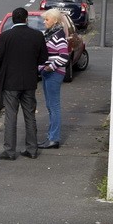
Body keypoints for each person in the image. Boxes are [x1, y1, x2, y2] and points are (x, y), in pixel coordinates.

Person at [0, 7, 49, 160]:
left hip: (10, 81)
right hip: (29, 81)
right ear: (26, 19)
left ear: (13, 20)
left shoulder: (5, 36)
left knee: (11, 116)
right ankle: (32, 149)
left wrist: (1, 68)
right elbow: (43, 58)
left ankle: (9, 151)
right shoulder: (37, 35)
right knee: (30, 115)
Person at [39, 9, 71, 149]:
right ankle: (51, 136)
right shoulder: (50, 34)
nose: (44, 21)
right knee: (50, 106)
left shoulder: (58, 35)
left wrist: (50, 67)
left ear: (55, 21)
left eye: (47, 19)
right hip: (47, 73)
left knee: (54, 106)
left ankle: (54, 138)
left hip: (54, 74)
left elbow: (64, 56)